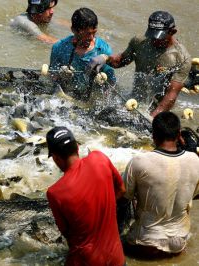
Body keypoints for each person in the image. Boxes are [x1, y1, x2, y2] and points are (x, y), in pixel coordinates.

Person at [122, 111, 199, 256]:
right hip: (178, 245)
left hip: (145, 244)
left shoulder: (139, 162)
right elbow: (193, 195)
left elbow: (123, 197)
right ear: (178, 136)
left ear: (153, 136)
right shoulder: (196, 161)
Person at [46, 126, 126, 265]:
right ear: (77, 147)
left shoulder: (55, 193)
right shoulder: (99, 158)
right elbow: (121, 190)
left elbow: (68, 234)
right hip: (116, 259)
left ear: (56, 158)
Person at [88, 11, 191, 117]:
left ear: (172, 32)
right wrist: (105, 58)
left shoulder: (182, 58)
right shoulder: (139, 42)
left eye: (159, 37)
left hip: (158, 108)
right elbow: (120, 61)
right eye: (152, 35)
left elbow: (171, 96)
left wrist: (151, 118)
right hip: (134, 100)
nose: (154, 40)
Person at [49, 7, 116, 100]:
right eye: (88, 33)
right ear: (74, 30)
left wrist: (102, 83)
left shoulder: (103, 50)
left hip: (91, 99)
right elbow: (52, 76)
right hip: (66, 97)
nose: (91, 37)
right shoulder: (59, 48)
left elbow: (112, 83)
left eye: (94, 33)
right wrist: (60, 76)